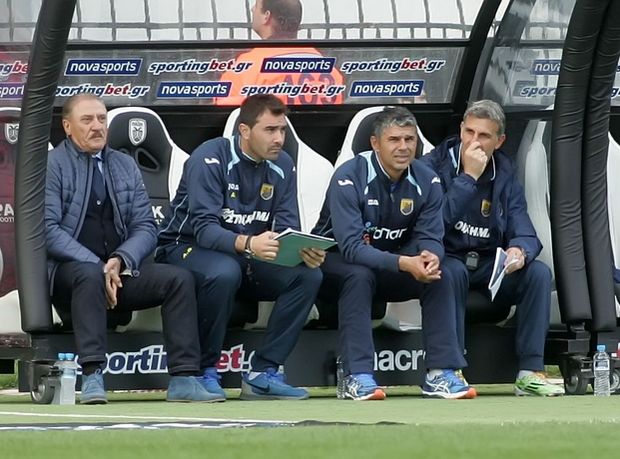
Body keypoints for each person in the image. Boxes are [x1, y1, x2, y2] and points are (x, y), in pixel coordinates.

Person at [45, 93, 216, 404]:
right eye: (87, 120)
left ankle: (184, 377)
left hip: (120, 273)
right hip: (70, 276)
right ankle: (93, 374)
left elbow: (146, 226)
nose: (97, 126)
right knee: (88, 275)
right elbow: (49, 231)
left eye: (101, 119)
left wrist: (120, 260)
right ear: (67, 127)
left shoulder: (123, 164)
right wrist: (99, 267)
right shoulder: (52, 165)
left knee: (179, 279)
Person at [156, 94, 325, 401]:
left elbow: (287, 226)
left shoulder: (283, 164)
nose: (279, 139)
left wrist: (301, 250)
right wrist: (249, 243)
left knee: (307, 276)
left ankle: (264, 372)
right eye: (270, 130)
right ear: (245, 131)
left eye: (282, 130)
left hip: (246, 253)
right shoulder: (209, 158)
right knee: (224, 271)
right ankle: (204, 370)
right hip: (184, 247)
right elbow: (204, 230)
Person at [313, 106, 475, 401]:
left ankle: (440, 372)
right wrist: (405, 263)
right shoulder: (348, 176)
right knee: (358, 275)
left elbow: (431, 235)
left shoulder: (427, 179)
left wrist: (430, 255)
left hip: (394, 265)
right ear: (375, 143)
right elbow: (351, 247)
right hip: (335, 264)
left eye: (409, 139)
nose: (403, 147)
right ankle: (357, 376)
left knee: (444, 269)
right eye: (394, 139)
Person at [418, 99, 564, 397]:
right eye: (469, 132)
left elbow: (525, 229)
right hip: (448, 257)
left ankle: (529, 372)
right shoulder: (431, 166)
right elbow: (433, 225)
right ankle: (443, 371)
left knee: (537, 273)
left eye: (484, 135)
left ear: (499, 141)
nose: (474, 141)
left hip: (488, 265)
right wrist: (468, 177)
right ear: (461, 129)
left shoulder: (504, 171)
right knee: (448, 270)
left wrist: (519, 251)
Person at [215, 0, 345, 106]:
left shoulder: (247, 66)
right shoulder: (330, 70)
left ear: (266, 16)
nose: (252, 9)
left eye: (256, 5)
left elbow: (224, 112)